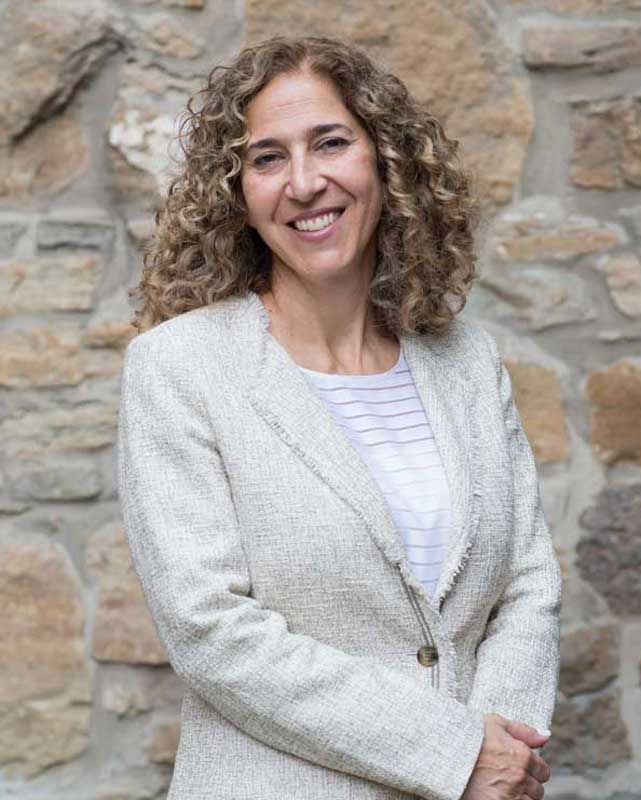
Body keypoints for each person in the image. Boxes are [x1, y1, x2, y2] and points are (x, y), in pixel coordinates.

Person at [117, 35, 562, 800]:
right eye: (266, 158)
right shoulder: (178, 368)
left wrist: (501, 757)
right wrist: (454, 754)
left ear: (386, 161)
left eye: (330, 143)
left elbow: (528, 581)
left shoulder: (465, 360)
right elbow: (209, 628)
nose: (303, 183)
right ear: (236, 191)